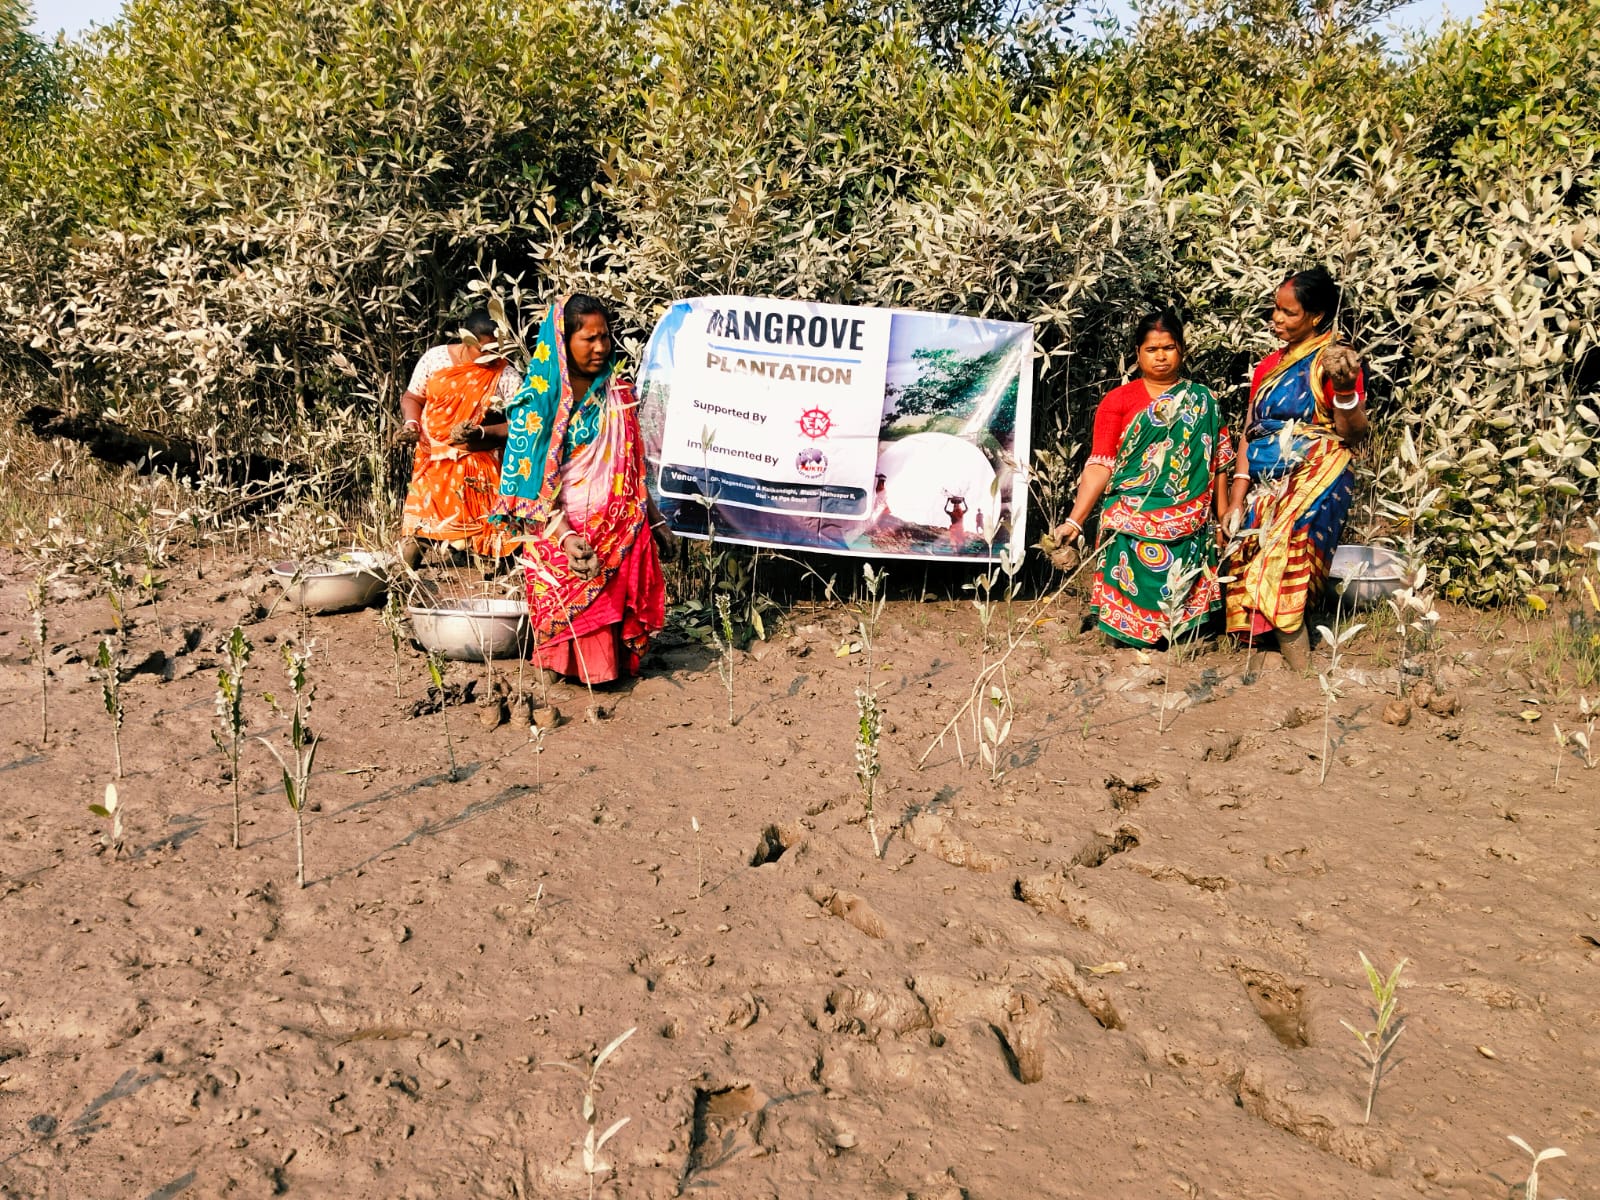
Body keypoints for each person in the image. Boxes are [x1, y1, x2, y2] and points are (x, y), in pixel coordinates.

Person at [491, 295, 668, 684]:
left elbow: (634, 466)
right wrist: (566, 536)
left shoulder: (618, 394)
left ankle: (606, 673)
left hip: (616, 527)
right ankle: (555, 670)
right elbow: (526, 485)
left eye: (605, 337)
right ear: (562, 340)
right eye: (589, 339)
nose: (601, 347)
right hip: (557, 530)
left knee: (608, 634)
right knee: (560, 626)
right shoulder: (537, 402)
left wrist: (656, 522)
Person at [1050, 309, 1233, 646]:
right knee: (1120, 517)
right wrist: (1074, 523)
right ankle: (1121, 632)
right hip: (1131, 506)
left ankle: (1185, 631)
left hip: (1189, 511)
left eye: (1168, 347)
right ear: (1137, 354)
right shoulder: (1118, 401)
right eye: (1151, 349)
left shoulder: (1204, 400)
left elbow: (1217, 463)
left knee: (1192, 537)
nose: (1160, 356)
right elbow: (1100, 465)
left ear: (1182, 350)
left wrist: (1223, 519)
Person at [1222, 267, 1367, 669]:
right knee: (1251, 555)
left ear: (1316, 316)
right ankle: (1273, 671)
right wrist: (1237, 497)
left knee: (1280, 560)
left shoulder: (1335, 360)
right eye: (1275, 310)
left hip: (1318, 471)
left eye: (1289, 313)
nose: (1277, 320)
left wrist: (1342, 390)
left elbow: (1352, 433)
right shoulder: (1268, 366)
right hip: (1268, 479)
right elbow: (1250, 432)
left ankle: (1300, 668)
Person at [396, 308, 521, 567]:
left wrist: (483, 433)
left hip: (479, 467)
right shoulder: (435, 359)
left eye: (497, 350)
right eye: (484, 350)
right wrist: (411, 425)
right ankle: (397, 591)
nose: (491, 357)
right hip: (432, 462)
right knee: (416, 537)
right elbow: (412, 397)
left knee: (490, 544)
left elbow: (523, 424)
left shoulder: (505, 374)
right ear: (467, 340)